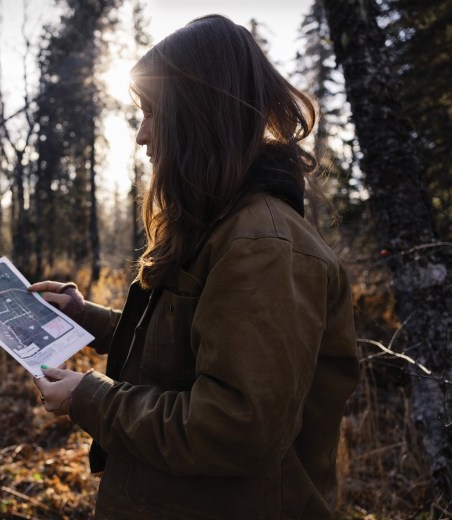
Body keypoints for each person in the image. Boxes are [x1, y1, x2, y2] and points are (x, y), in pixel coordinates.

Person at [28, 14, 360, 520]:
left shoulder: (264, 245)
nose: (141, 136)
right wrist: (86, 316)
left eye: (152, 113)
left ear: (197, 117)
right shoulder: (221, 223)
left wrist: (91, 399)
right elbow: (189, 346)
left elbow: (233, 426)